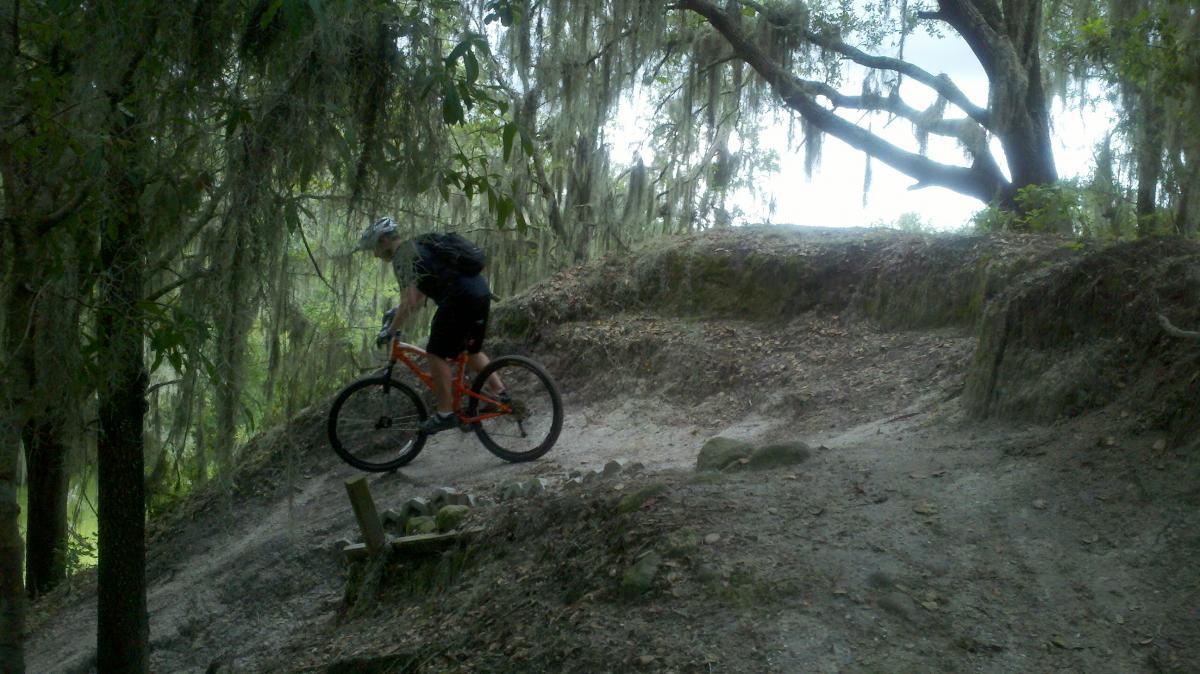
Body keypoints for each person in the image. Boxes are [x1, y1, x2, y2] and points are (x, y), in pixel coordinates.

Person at [357, 216, 506, 434]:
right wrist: (394, 313)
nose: (375, 255)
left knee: (435, 352)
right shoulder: (420, 245)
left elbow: (410, 301)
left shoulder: (402, 257)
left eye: (375, 248)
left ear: (385, 241)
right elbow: (418, 294)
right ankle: (500, 394)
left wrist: (390, 332)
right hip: (480, 293)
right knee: (471, 349)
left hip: (458, 299)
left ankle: (445, 414)